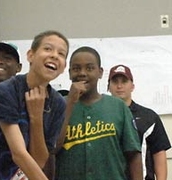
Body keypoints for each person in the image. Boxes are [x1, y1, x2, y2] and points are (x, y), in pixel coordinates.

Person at [0, 30, 69, 180]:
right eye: (48, 49)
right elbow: (19, 154)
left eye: (61, 54)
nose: (55, 55)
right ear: (31, 55)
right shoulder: (7, 90)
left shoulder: (58, 103)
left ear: (63, 67)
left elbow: (38, 160)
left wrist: (36, 118)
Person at [55, 46, 143, 180]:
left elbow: (133, 154)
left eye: (89, 68)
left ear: (100, 72)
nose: (82, 73)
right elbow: (53, 148)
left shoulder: (118, 107)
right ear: (69, 73)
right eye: (76, 68)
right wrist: (70, 103)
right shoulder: (58, 106)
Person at [107, 64, 171, 180]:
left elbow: (159, 152)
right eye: (115, 82)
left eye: (124, 81)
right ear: (108, 87)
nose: (119, 86)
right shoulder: (101, 116)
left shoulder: (149, 117)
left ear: (132, 86)